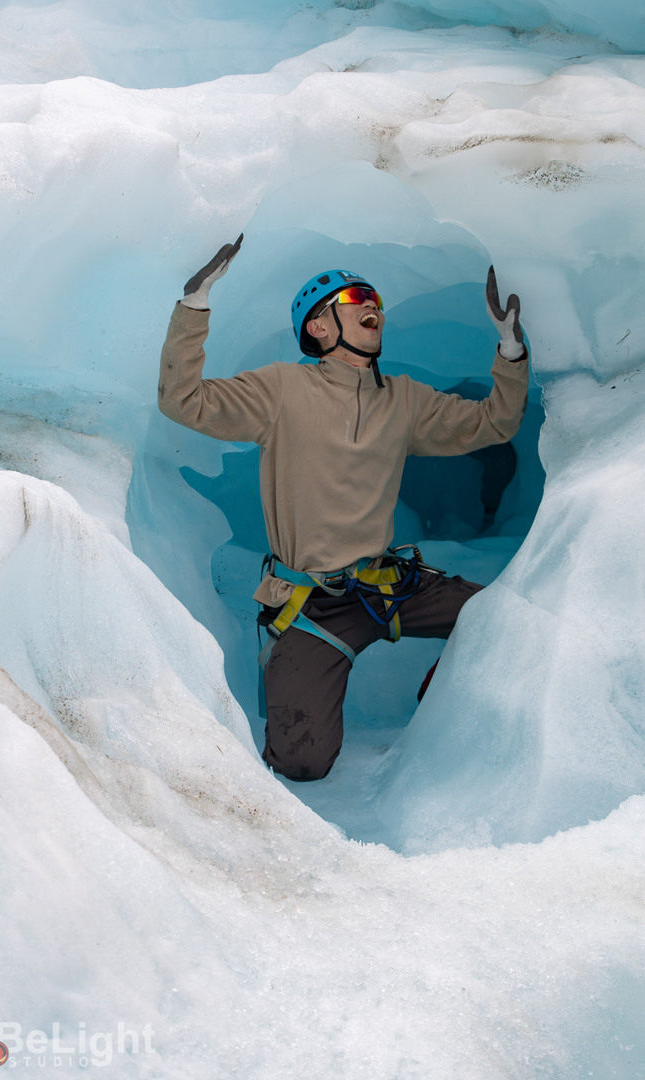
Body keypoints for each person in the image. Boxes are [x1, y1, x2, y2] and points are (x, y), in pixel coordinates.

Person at [158, 236, 530, 781]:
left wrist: (510, 348)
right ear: (319, 327)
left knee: (503, 622)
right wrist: (194, 305)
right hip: (311, 604)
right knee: (301, 762)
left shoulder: (403, 399)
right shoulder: (280, 390)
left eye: (376, 299)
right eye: (357, 298)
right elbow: (182, 401)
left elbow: (492, 422)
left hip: (387, 586)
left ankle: (442, 703)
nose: (373, 306)